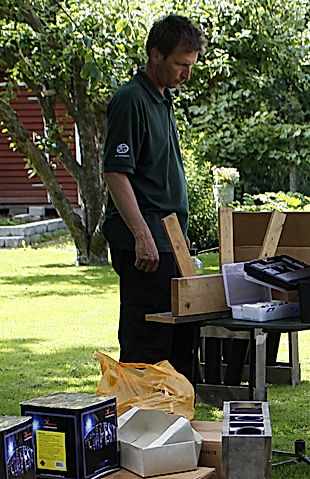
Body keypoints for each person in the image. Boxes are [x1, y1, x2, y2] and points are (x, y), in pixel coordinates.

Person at [102, 15, 206, 377]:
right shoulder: (131, 99)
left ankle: (178, 412)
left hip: (170, 241)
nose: (186, 74)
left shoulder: (163, 99)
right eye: (180, 64)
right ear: (155, 54)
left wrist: (178, 236)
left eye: (191, 65)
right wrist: (142, 235)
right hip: (145, 248)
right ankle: (141, 413)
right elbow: (116, 173)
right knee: (147, 345)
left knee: (181, 342)